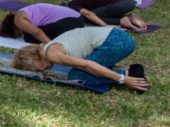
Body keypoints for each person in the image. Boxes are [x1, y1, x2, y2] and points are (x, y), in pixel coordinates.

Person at [10, 26, 150, 92]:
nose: (41, 70)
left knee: (76, 75)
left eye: (35, 68)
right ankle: (129, 69)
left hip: (116, 42)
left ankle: (130, 75)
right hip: (118, 38)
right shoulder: (49, 47)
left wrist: (123, 80)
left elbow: (88, 65)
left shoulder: (52, 54)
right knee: (80, 70)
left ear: (33, 59)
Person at [0, 2, 110, 43]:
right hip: (78, 20)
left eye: (16, 34)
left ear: (13, 28)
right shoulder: (26, 11)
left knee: (29, 37)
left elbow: (38, 32)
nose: (19, 34)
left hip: (68, 23)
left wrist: (51, 46)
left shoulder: (18, 19)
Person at [68, 0, 148, 31]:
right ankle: (131, 17)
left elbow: (88, 14)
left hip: (120, 4)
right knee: (99, 14)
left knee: (86, 18)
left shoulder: (73, 4)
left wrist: (105, 25)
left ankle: (121, 21)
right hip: (130, 1)